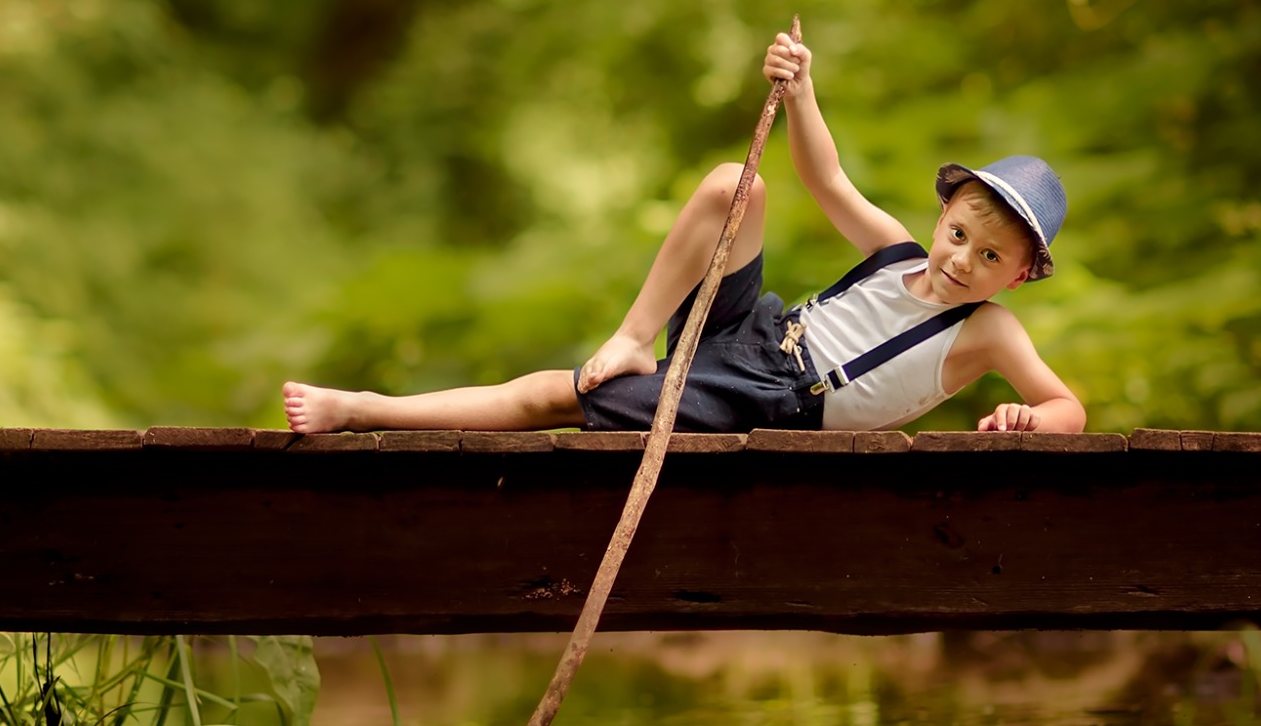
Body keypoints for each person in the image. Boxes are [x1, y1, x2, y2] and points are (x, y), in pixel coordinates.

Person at [282, 30, 1087, 436]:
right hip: (755, 334)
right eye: (958, 235)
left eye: (989, 259)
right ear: (942, 217)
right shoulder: (896, 254)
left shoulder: (988, 329)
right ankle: (636, 334)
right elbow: (826, 179)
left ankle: (360, 409)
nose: (960, 262)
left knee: (551, 396)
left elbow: (1067, 407)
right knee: (735, 185)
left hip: (771, 402)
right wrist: (801, 91)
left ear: (1015, 277)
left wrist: (1029, 420)